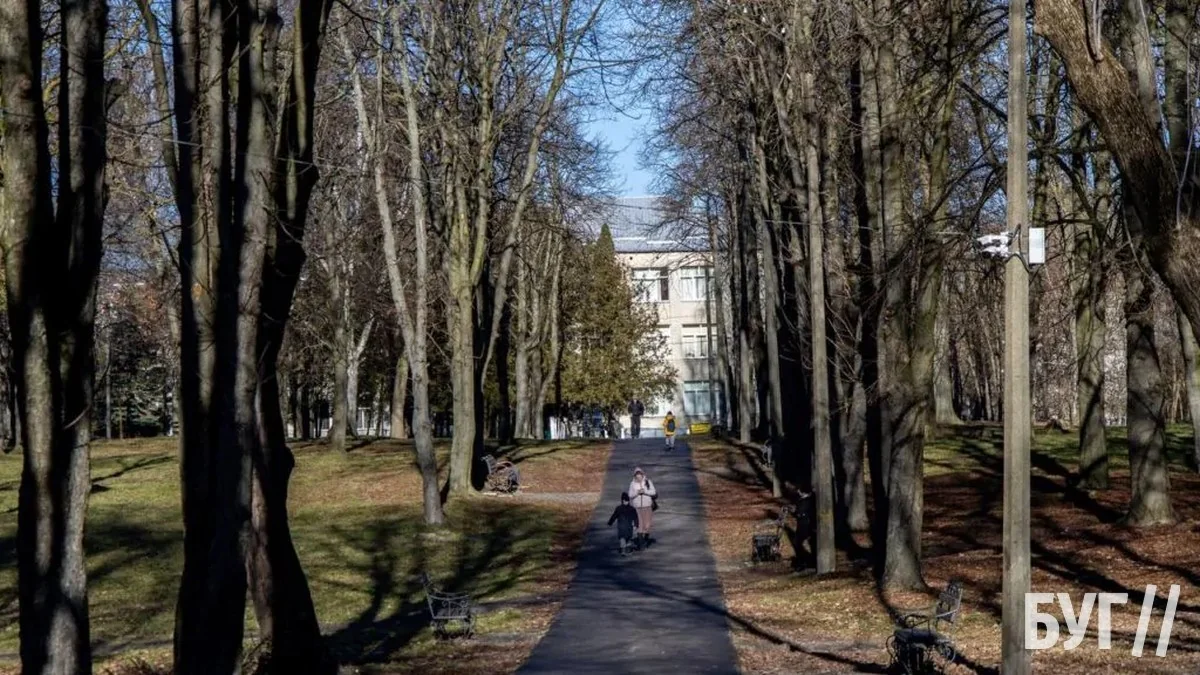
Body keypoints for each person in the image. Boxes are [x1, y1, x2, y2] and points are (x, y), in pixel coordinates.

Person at [628, 467, 657, 549]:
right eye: (637, 474)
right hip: (637, 507)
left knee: (647, 525)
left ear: (642, 474)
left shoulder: (648, 482)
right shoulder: (632, 484)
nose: (638, 476)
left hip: (647, 506)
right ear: (635, 475)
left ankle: (645, 538)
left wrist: (645, 491)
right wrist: (637, 492)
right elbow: (630, 495)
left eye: (639, 474)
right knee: (639, 525)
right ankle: (641, 544)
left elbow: (653, 492)